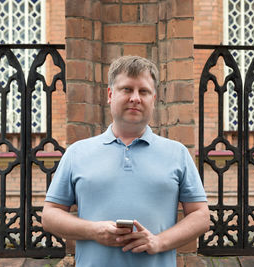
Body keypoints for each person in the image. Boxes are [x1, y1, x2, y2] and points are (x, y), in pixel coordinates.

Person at [42, 56, 210, 267]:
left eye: (144, 91)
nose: (135, 98)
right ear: (111, 95)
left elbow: (201, 216)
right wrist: (94, 231)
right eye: (127, 89)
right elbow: (49, 215)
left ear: (153, 99)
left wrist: (159, 241)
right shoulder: (77, 153)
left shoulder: (177, 153)